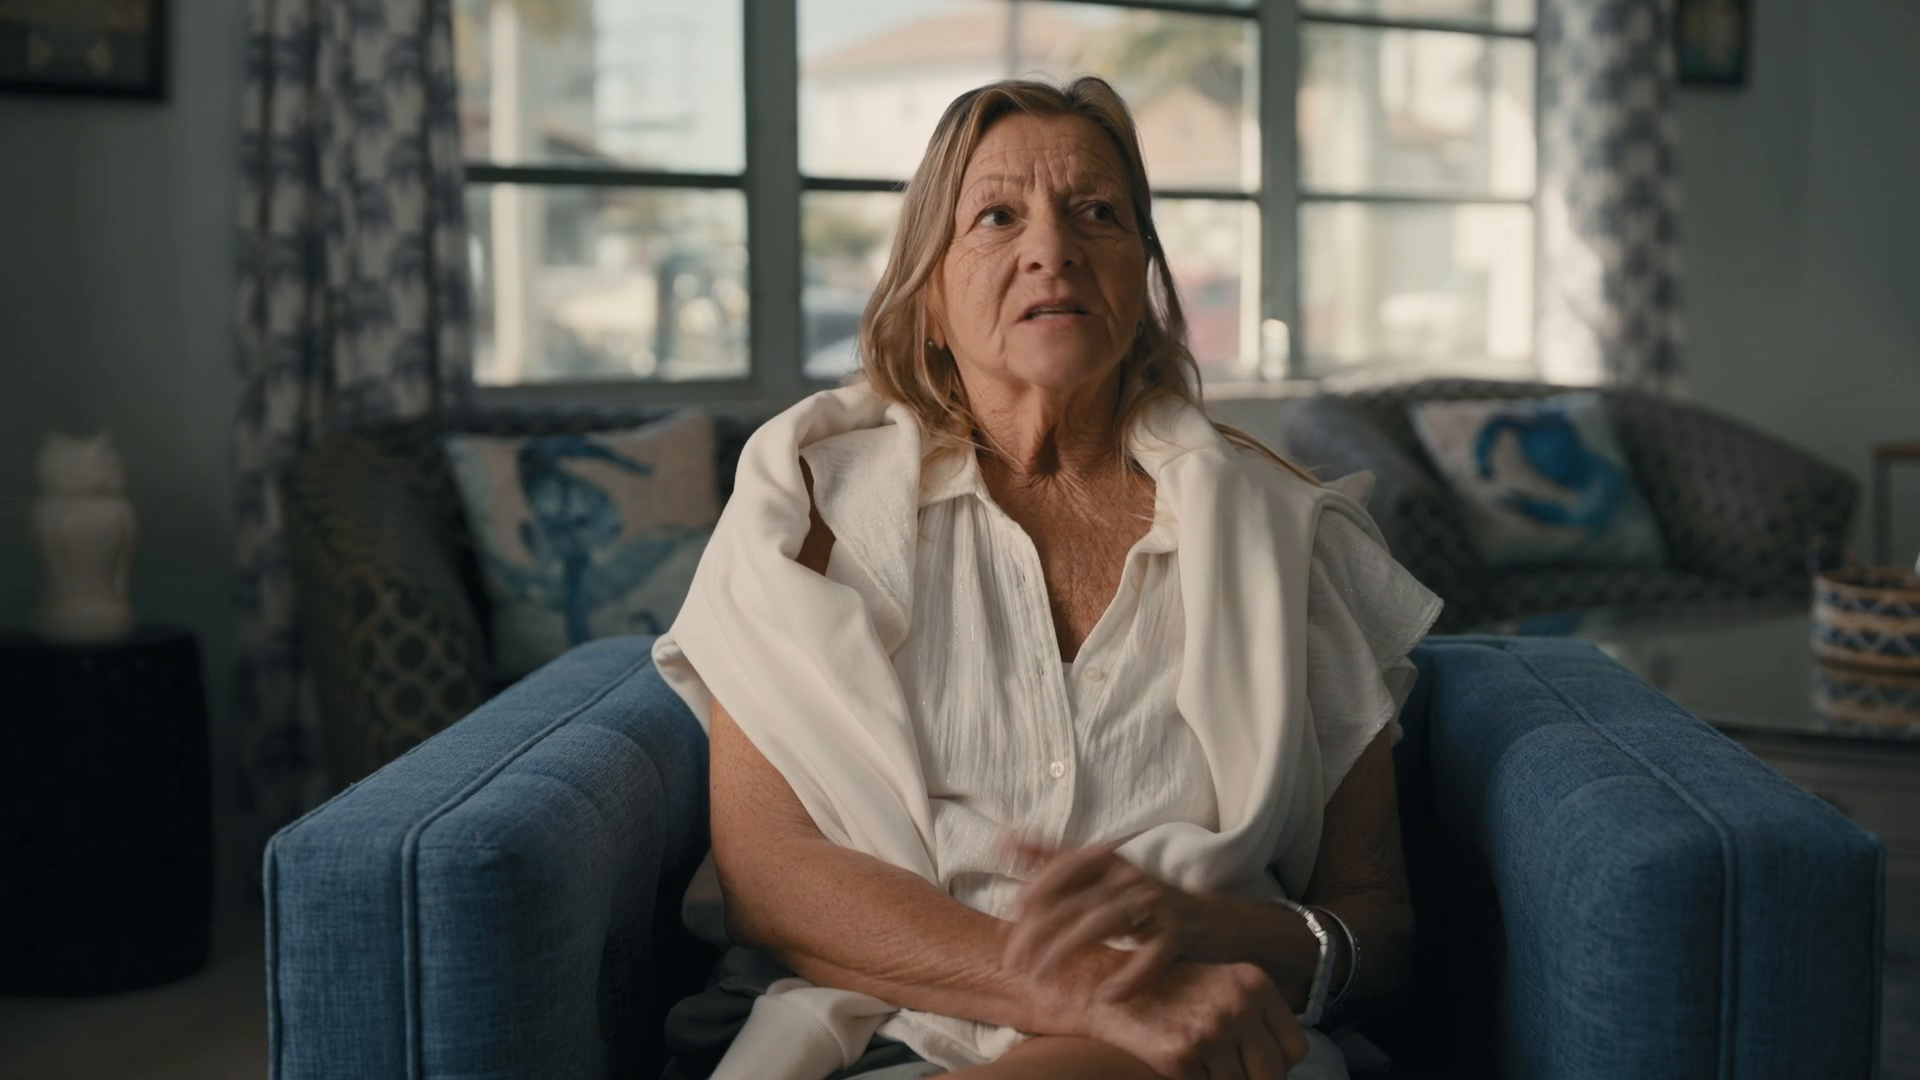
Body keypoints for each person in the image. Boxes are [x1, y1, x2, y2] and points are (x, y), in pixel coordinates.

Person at [654, 75, 1442, 1080]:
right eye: (996, 217)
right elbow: (770, 873)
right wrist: (1088, 992)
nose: (1052, 249)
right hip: (874, 1034)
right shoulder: (808, 503)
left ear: (1143, 282)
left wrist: (1213, 928)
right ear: (929, 297)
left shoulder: (1284, 533)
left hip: (1210, 1040)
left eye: (1097, 213)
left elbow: (1377, 927)